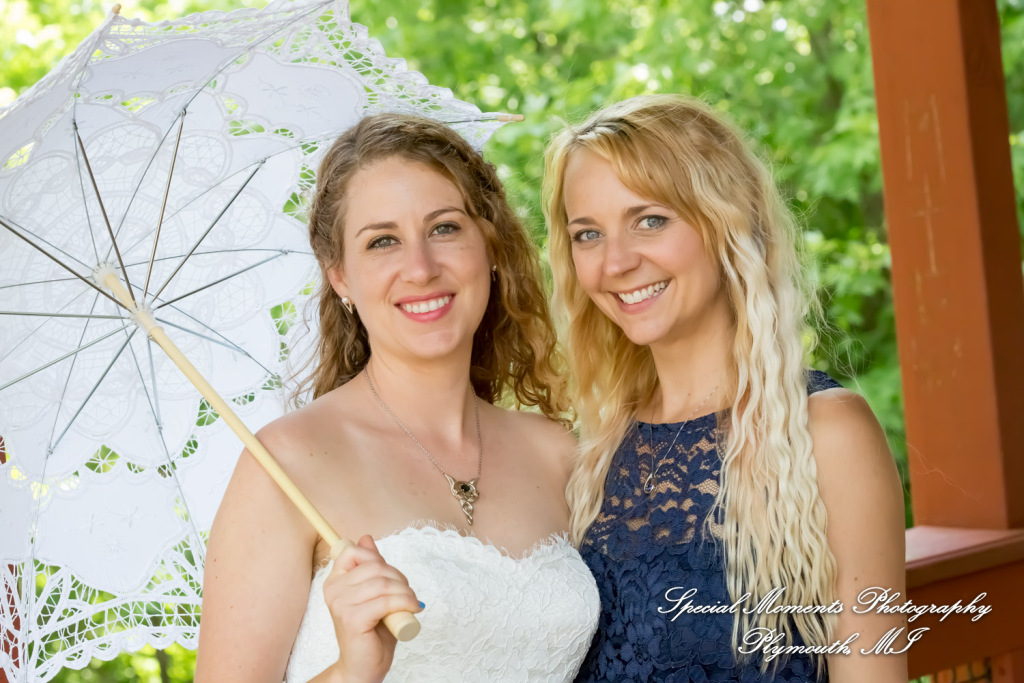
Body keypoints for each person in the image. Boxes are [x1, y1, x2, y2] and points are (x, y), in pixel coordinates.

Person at [195, 113, 599, 683]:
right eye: (382, 241)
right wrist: (352, 670)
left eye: (444, 229)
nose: (420, 268)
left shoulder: (559, 453)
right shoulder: (288, 463)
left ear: (489, 246)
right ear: (340, 278)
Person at [542, 94, 907, 682]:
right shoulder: (592, 455)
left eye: (650, 220)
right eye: (588, 234)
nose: (615, 263)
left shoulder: (825, 433)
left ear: (726, 223)